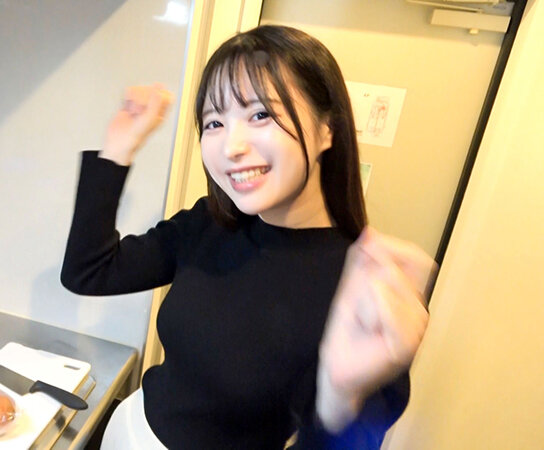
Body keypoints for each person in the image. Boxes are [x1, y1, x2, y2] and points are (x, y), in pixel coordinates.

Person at [61, 25, 435, 449]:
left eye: (260, 115)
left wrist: (339, 398)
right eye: (214, 122)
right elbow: (89, 272)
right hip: (127, 432)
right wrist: (118, 149)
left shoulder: (361, 283)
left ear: (327, 129)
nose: (231, 146)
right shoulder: (209, 223)